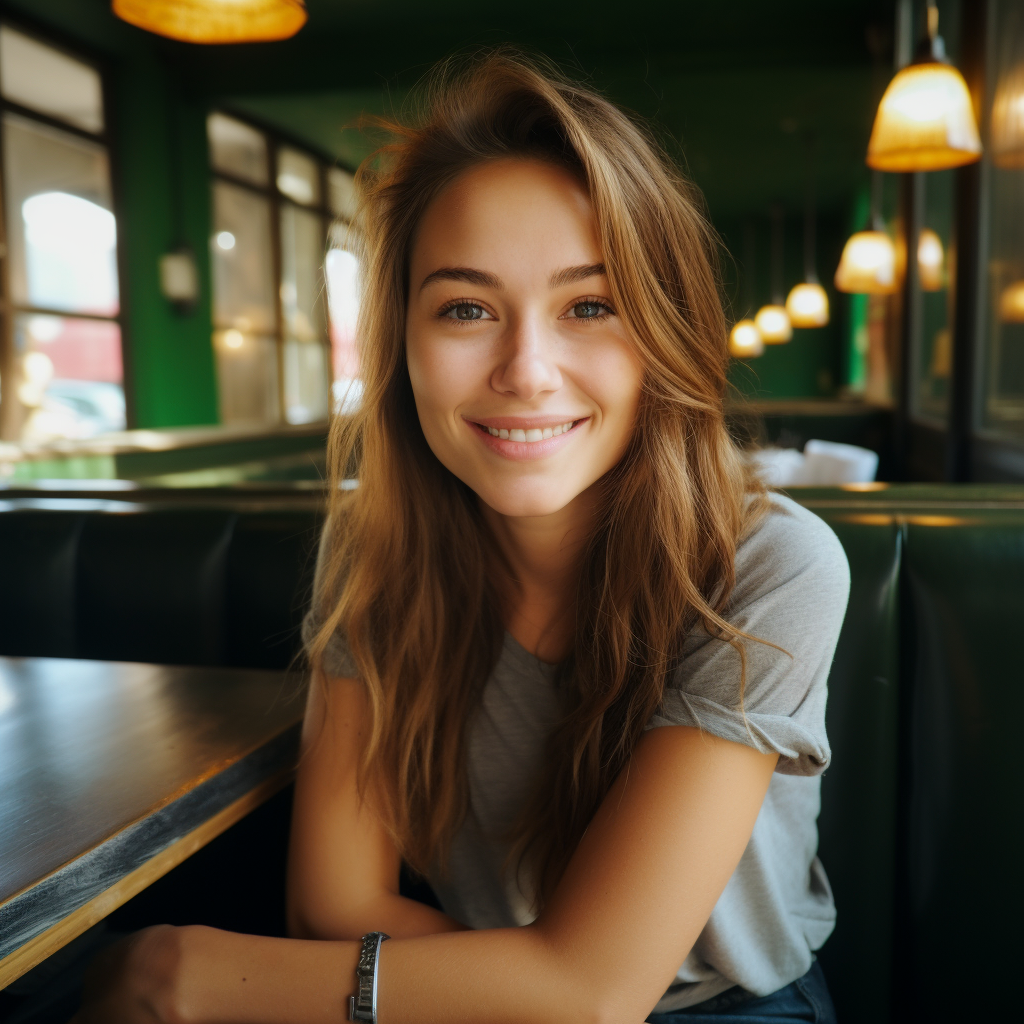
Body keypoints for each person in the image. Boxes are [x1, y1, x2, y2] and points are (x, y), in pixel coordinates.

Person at [73, 53, 849, 1024]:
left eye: (589, 306)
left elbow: (600, 990)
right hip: (466, 986)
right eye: (466, 308)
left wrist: (178, 973)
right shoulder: (374, 548)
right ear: (402, 341)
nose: (526, 370)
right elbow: (331, 901)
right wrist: (530, 981)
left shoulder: (773, 564)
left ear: (663, 335)